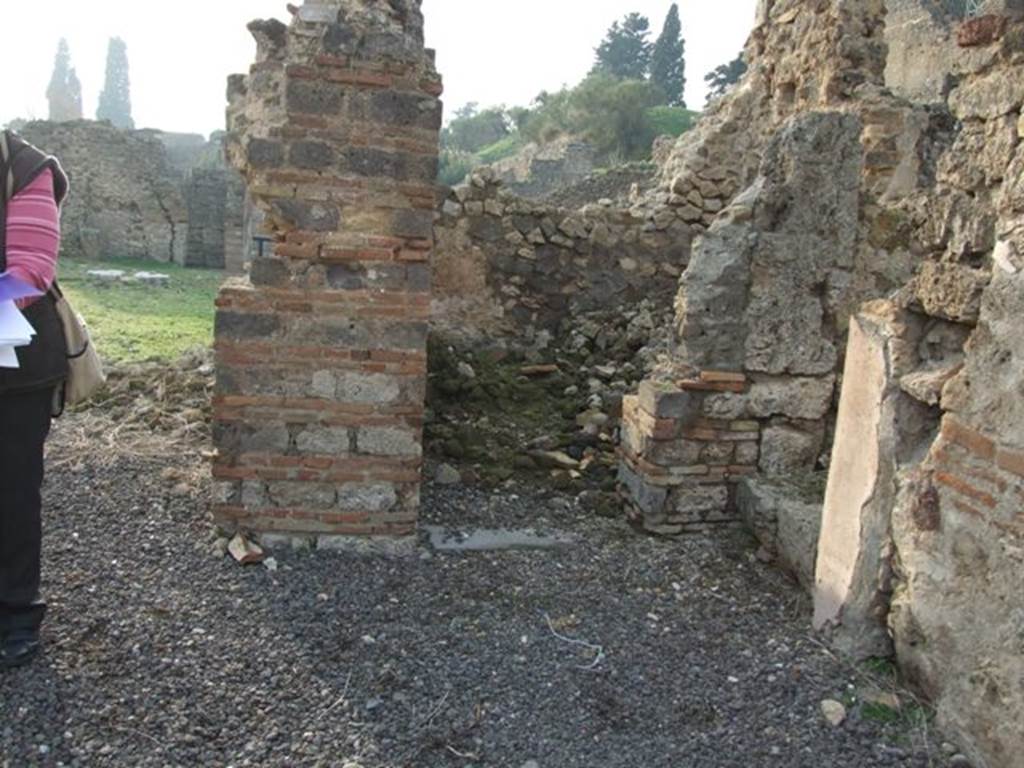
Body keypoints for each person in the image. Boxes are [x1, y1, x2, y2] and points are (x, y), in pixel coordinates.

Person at [0, 129, 69, 669]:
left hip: (15, 369)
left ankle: (15, 615)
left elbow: (29, 272)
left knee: (13, 491)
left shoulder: (25, 167)